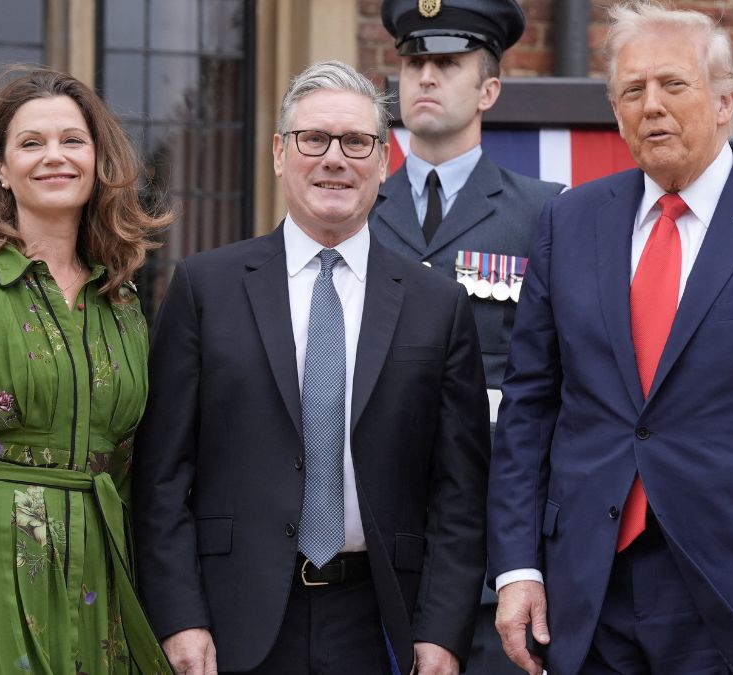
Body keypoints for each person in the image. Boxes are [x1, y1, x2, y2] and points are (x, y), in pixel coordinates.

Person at [487, 3, 733, 674]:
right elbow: (529, 408)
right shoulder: (570, 222)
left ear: (726, 99)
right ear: (616, 112)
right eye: (632, 90)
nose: (651, 106)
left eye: (673, 85)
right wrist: (518, 567)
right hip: (590, 589)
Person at [132, 60, 490, 675]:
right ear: (278, 153)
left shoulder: (439, 305)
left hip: (383, 626)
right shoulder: (204, 288)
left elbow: (459, 492)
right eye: (313, 139)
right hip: (230, 624)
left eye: (356, 142)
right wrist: (178, 616)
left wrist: (444, 630)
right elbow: (161, 477)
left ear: (383, 162)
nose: (334, 158)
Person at [0, 68, 173, 674]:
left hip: (101, 567)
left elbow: (128, 462)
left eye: (73, 141)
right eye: (31, 143)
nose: (55, 158)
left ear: (98, 160)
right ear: (0, 168)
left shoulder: (121, 304)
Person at [371, 1, 566, 671]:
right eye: (413, 61)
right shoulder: (355, 211)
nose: (425, 77)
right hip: (373, 542)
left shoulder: (546, 214)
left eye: (447, 64)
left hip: (494, 548)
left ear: (488, 88)